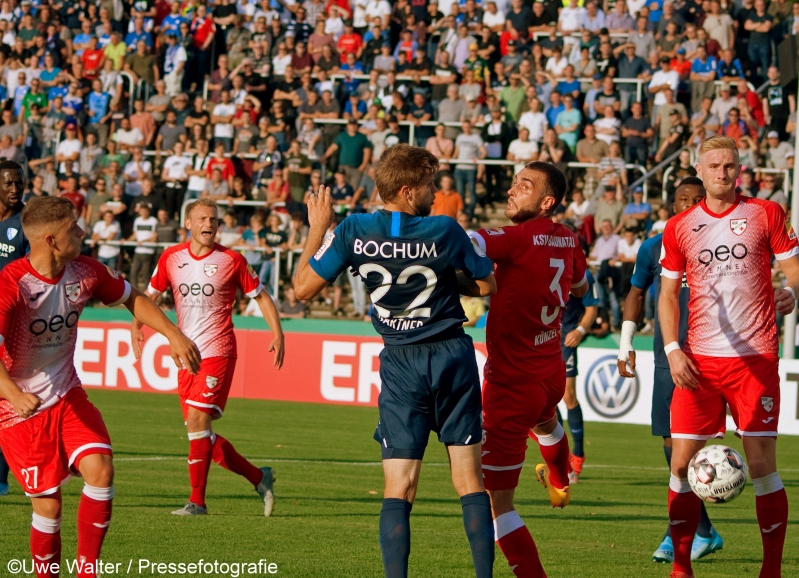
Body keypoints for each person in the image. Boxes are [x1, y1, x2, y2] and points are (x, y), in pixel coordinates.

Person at [293, 144, 496, 578]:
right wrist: (446, 276)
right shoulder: (444, 230)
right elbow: (486, 283)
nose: (436, 193)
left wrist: (317, 228)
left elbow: (302, 289)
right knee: (469, 482)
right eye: (429, 185)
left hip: (401, 363)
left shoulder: (352, 230)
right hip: (451, 356)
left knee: (398, 487)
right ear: (407, 191)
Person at [0, 196, 199, 578]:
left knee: (102, 470)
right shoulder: (13, 285)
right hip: (17, 411)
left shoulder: (85, 271)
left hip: (68, 395)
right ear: (51, 240)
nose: (82, 231)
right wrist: (13, 394)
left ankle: (87, 570)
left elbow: (133, 298)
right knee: (49, 508)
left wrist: (172, 334)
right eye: (73, 227)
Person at [659, 136, 799, 578]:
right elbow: (666, 296)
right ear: (699, 171)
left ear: (739, 170)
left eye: (730, 165)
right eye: (714, 165)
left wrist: (791, 290)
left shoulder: (765, 213)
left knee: (761, 466)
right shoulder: (678, 226)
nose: (723, 172)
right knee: (680, 466)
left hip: (754, 360)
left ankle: (771, 570)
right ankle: (681, 567)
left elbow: (794, 269)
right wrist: (672, 349)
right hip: (698, 362)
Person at [131, 198, 285, 516]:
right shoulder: (171, 258)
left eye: (214, 220)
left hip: (218, 351)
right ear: (188, 223)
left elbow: (262, 295)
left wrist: (277, 332)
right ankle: (259, 477)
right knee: (199, 434)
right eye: (202, 219)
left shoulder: (232, 260)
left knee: (199, 422)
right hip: (186, 354)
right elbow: (149, 297)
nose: (209, 225)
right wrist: (136, 326)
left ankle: (197, 502)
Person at [471, 161, 588, 577]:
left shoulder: (517, 237)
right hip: (549, 370)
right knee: (546, 423)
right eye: (513, 183)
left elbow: (463, 243)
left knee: (495, 501)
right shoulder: (569, 239)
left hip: (511, 384)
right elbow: (581, 287)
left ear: (546, 201)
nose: (511, 191)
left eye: (523, 186)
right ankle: (560, 480)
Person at [617, 177, 726, 564]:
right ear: (672, 203)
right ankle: (702, 529)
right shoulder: (654, 245)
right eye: (684, 199)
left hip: (713, 357)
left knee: (694, 450)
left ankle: (679, 533)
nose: (691, 204)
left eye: (698, 199)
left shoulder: (722, 244)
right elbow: (635, 292)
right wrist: (626, 342)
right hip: (669, 357)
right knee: (671, 447)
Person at [0, 160, 28, 497]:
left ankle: (2, 476)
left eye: (19, 183)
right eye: (8, 183)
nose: (15, 189)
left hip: (13, 324)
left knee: (7, 399)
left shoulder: (25, 224)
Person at [559, 267, 599, 485]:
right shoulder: (540, 262)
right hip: (542, 336)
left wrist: (580, 330)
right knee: (544, 400)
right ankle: (560, 457)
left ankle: (578, 454)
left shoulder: (583, 273)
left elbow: (592, 308)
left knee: (568, 396)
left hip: (565, 339)